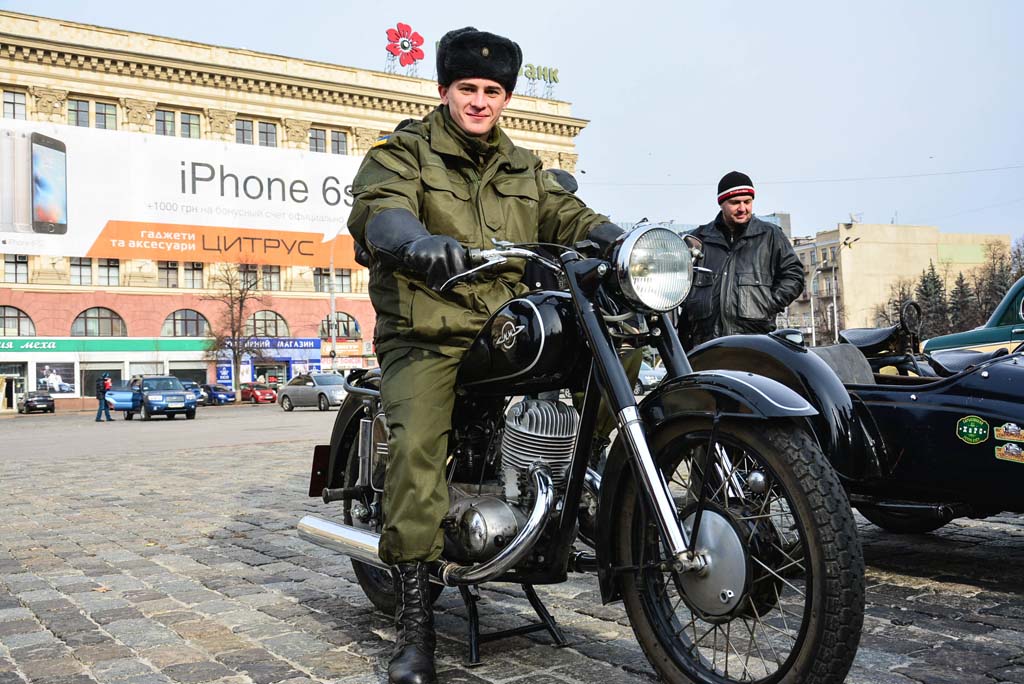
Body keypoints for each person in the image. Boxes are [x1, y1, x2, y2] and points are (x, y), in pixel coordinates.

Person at [347, 26, 622, 684]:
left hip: (500, 324)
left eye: (491, 91)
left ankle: (581, 487)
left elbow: (569, 215)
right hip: (427, 329)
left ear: (506, 98)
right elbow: (378, 210)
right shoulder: (404, 152)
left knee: (611, 355)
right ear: (444, 89)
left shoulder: (524, 167)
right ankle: (415, 625)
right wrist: (412, 241)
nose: (479, 101)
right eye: (467, 88)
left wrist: (620, 239)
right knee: (417, 448)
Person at [677, 171, 804, 349]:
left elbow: (794, 276)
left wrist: (768, 304)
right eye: (735, 202)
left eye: (747, 201)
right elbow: (677, 284)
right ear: (721, 203)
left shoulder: (770, 235)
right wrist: (694, 305)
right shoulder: (698, 239)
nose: (743, 208)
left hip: (755, 341)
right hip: (705, 343)